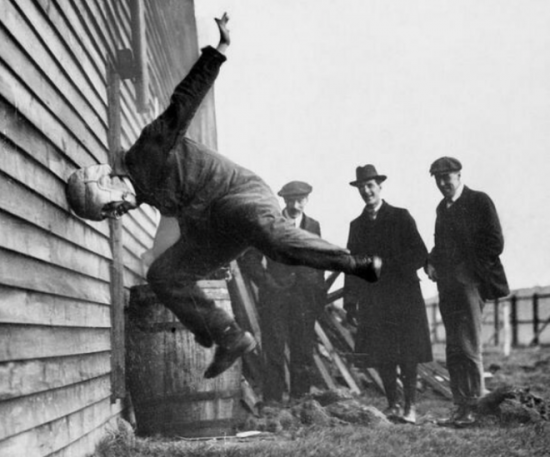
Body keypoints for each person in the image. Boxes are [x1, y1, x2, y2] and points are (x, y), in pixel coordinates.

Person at [65, 14, 381, 380]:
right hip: (212, 223)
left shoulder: (147, 149)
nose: (117, 212)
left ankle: (353, 263)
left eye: (110, 206)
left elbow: (185, 99)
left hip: (239, 194)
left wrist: (220, 49)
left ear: (108, 181)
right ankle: (229, 337)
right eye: (110, 216)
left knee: (270, 240)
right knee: (163, 274)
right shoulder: (144, 190)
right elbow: (177, 216)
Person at [344, 164, 432, 424]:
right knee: (382, 352)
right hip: (373, 299)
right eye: (362, 187)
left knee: (407, 353)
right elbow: (353, 266)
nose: (366, 191)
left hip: (403, 295)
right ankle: (393, 404)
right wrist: (351, 303)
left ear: (380, 187)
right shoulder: (357, 225)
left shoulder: (400, 216)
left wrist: (386, 265)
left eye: (370, 186)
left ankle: (410, 408)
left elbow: (419, 253)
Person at [425, 156, 509, 427]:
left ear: (459, 175)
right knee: (452, 347)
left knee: (469, 345)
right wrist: (431, 261)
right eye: (437, 179)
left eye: (446, 177)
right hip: (447, 287)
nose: (442, 183)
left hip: (470, 284)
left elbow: (495, 242)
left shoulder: (479, 201)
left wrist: (468, 273)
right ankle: (460, 406)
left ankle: (475, 407)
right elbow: (441, 245)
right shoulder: (442, 207)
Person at [238, 181, 327, 402]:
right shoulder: (269, 225)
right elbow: (249, 258)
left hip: (304, 300)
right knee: (274, 351)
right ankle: (273, 405)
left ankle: (301, 404)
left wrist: (317, 293)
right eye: (291, 200)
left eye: (300, 200)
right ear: (283, 201)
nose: (296, 205)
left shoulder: (313, 226)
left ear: (307, 200)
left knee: (303, 351)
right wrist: (268, 283)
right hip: (275, 298)